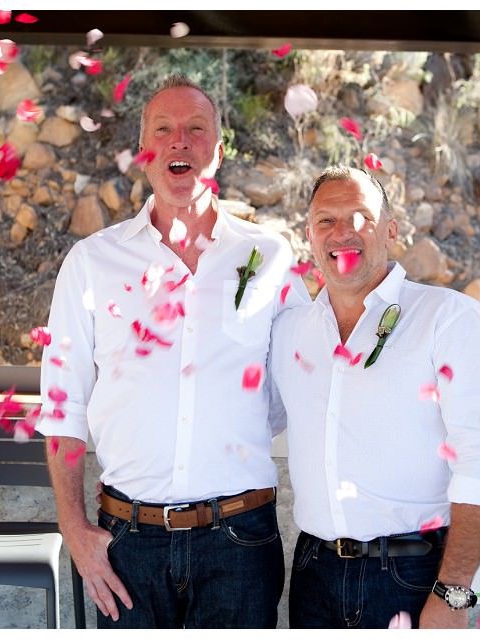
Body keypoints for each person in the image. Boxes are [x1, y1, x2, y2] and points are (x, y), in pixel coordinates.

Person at [36, 74, 308, 629]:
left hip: (241, 541)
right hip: (127, 543)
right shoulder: (91, 262)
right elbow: (64, 406)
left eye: (196, 129)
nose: (179, 140)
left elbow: (301, 387)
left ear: (218, 152)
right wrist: (73, 527)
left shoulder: (271, 259)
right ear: (144, 152)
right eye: (163, 129)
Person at [268, 166, 480, 629]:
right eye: (326, 220)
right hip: (314, 572)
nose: (343, 232)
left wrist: (454, 591)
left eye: (360, 217)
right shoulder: (289, 332)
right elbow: (252, 421)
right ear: (310, 236)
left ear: (391, 231)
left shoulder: (450, 319)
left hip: (413, 575)